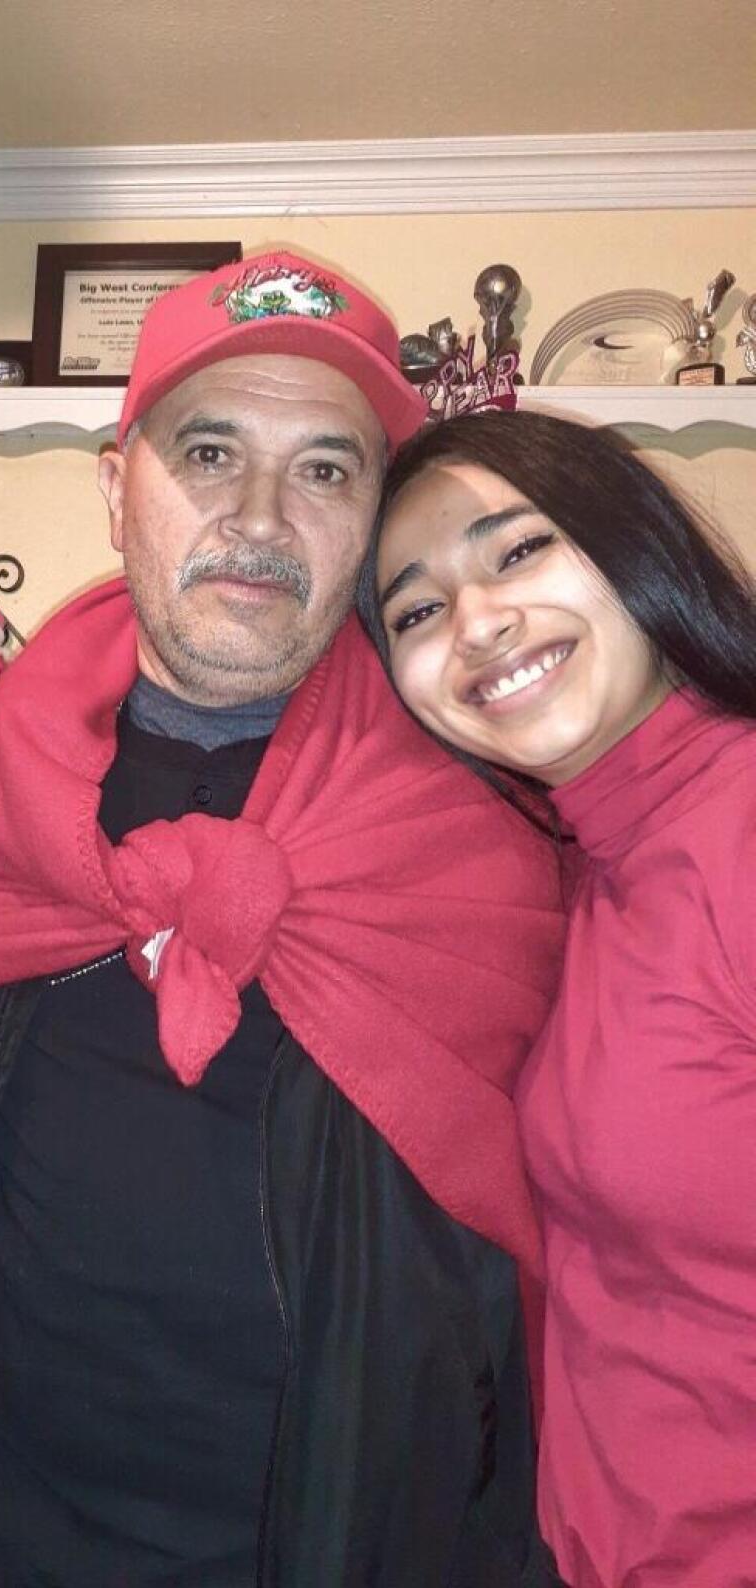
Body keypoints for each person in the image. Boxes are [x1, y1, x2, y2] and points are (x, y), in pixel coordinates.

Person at [0, 252, 566, 1586]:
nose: (261, 516)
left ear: (379, 516)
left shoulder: (499, 843)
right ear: (116, 486)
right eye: (209, 451)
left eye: (326, 469)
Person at [359, 407, 756, 1588]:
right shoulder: (567, 870)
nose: (478, 623)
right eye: (417, 611)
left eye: (519, 549)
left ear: (634, 544)